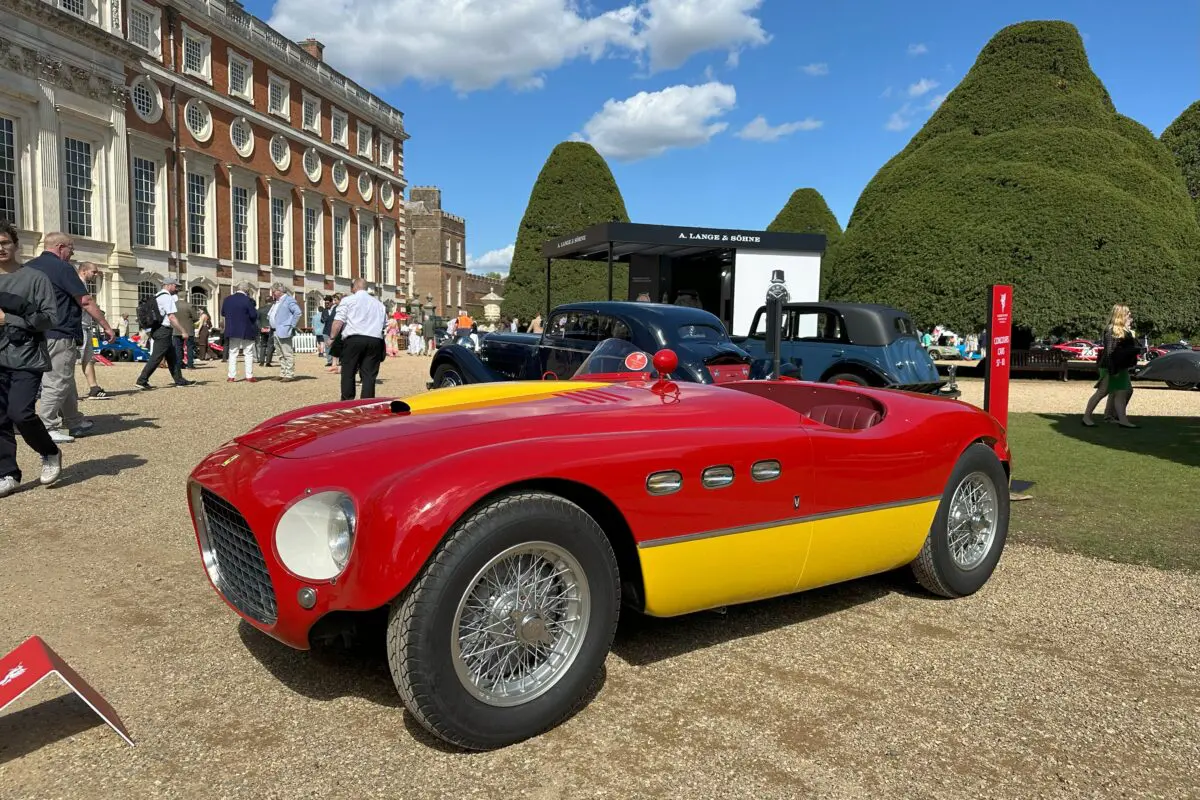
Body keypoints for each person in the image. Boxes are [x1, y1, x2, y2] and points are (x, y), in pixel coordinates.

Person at [27, 236, 115, 442]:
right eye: (71, 249)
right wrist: (107, 326)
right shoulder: (63, 268)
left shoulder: (28, 266)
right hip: (59, 331)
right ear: (60, 247)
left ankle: (73, 420)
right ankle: (48, 427)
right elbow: (85, 300)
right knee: (56, 380)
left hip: (33, 333)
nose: (72, 254)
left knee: (64, 378)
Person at [0, 222, 63, 494]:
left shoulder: (35, 278)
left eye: (4, 242)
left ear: (15, 243)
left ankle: (49, 452)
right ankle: (7, 473)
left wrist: (8, 319)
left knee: (20, 413)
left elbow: (50, 319)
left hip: (26, 356)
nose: (0, 248)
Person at [1083, 304, 1141, 428]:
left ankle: (1122, 420)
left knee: (1121, 393)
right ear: (1120, 315)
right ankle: (1086, 417)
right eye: (1127, 313)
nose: (1129, 315)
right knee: (1102, 392)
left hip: (1120, 367)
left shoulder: (1124, 330)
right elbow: (1109, 352)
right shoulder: (1110, 330)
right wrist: (1112, 370)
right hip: (1110, 367)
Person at [329, 277, 386, 400]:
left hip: (354, 339)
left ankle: (347, 401)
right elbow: (384, 325)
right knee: (369, 375)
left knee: (348, 372)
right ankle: (366, 403)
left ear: (354, 287)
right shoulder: (379, 304)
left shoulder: (348, 300)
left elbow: (338, 321)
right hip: (374, 340)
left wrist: (332, 337)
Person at [135, 278, 194, 390]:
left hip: (156, 329)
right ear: (169, 285)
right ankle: (142, 380)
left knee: (172, 357)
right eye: (176, 286)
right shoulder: (167, 298)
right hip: (163, 330)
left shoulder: (157, 296)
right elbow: (171, 317)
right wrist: (183, 331)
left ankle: (179, 380)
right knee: (156, 357)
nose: (177, 288)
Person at [221, 282, 260, 382]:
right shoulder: (248, 300)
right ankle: (249, 376)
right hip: (246, 329)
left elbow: (223, 313)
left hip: (232, 328)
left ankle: (231, 376)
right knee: (248, 352)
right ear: (246, 290)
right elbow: (253, 315)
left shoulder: (227, 299)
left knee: (233, 352)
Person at [268, 283, 302, 381]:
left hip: (284, 330)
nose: (272, 293)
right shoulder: (277, 301)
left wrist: (292, 325)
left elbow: (298, 312)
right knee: (280, 354)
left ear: (279, 291)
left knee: (287, 353)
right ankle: (283, 372)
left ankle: (289, 374)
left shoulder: (289, 300)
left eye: (273, 291)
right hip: (275, 330)